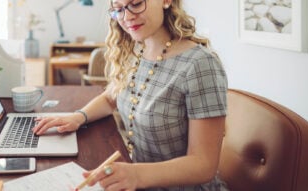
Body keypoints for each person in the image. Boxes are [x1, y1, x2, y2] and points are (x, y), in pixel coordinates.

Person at [33, 0, 228, 190]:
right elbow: (111, 97)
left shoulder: (200, 65)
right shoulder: (137, 50)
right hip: (139, 182)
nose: (126, 17)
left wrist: (136, 175)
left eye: (136, 4)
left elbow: (204, 165)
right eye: (118, 9)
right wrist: (78, 117)